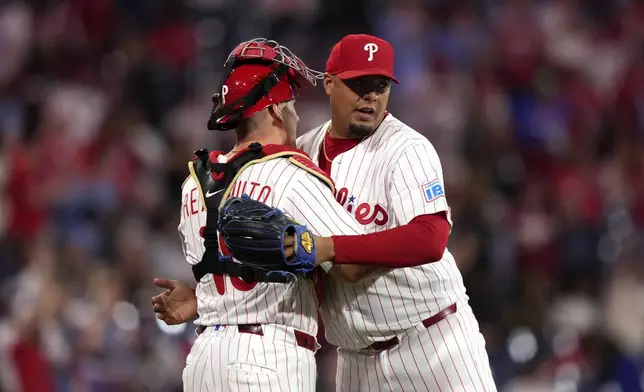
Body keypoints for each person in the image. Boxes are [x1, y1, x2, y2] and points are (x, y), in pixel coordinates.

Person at [221, 34, 498, 391]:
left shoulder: (407, 149)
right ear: (330, 84)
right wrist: (200, 301)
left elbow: (430, 238)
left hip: (434, 342)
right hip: (355, 360)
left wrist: (329, 247)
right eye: (358, 84)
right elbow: (269, 255)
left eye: (380, 85)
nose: (371, 96)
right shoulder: (302, 152)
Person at [156, 38, 386, 392]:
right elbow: (355, 264)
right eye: (291, 104)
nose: (295, 115)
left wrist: (199, 301)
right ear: (277, 108)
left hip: (204, 358)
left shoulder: (194, 183)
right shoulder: (290, 174)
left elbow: (227, 274)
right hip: (267, 355)